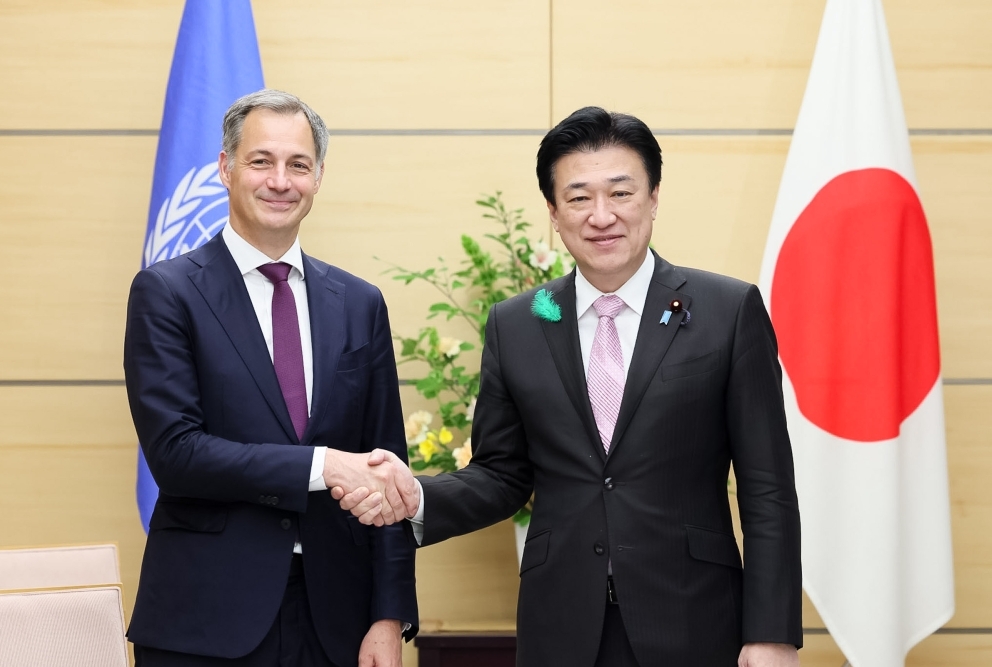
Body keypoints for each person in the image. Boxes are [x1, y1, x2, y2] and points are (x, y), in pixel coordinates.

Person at [335, 107, 802, 666]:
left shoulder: (727, 311)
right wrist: (419, 498)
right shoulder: (517, 323)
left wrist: (771, 633)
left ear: (653, 198)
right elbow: (502, 474)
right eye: (579, 197)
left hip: (695, 620)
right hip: (561, 626)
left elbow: (768, 489)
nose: (601, 215)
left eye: (620, 192)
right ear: (554, 214)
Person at [124, 89, 418, 667]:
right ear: (226, 168)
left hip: (337, 621)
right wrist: (323, 465)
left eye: (298, 165)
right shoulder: (167, 294)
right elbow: (177, 454)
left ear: (319, 177)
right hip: (206, 619)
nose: (280, 180)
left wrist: (389, 615)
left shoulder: (360, 303)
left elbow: (387, 467)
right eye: (261, 161)